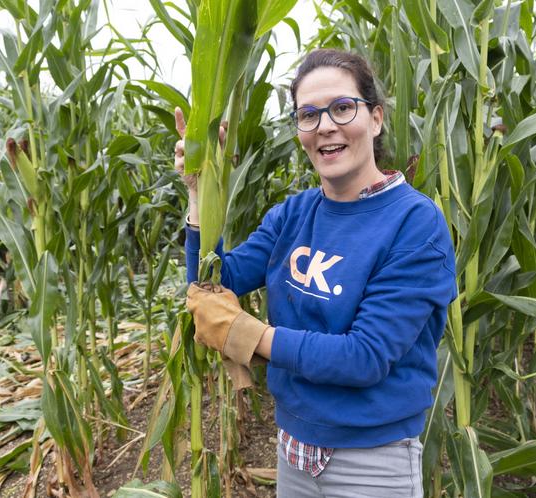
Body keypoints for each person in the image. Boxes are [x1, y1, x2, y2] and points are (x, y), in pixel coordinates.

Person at [174, 48, 457, 498]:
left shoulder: (415, 225)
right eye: (308, 115)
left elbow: (365, 356)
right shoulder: (294, 214)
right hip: (292, 451)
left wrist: (248, 335)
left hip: (371, 460)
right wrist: (198, 192)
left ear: (376, 118)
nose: (325, 125)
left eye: (342, 108)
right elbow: (217, 281)